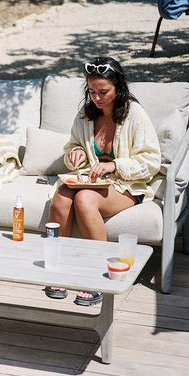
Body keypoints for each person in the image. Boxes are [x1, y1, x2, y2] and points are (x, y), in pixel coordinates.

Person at [45, 56, 161, 306]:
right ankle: (57, 266)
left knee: (85, 199)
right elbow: (73, 144)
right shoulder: (86, 114)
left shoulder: (134, 114)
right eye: (92, 91)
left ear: (118, 87)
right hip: (93, 180)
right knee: (62, 197)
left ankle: (98, 276)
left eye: (103, 92)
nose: (97, 98)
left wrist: (115, 165)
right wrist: (73, 153)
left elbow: (151, 161)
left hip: (127, 184)